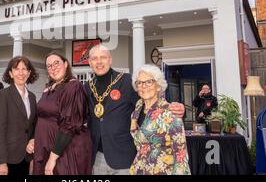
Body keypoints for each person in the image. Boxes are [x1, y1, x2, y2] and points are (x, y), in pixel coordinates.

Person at [83, 44, 185, 175]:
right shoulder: (87, 87)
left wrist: (177, 108)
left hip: (124, 156)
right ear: (90, 62)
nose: (99, 62)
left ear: (110, 59)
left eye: (103, 57)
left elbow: (149, 100)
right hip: (97, 157)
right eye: (94, 58)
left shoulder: (127, 81)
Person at [32, 52, 92, 175]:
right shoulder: (49, 87)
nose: (53, 68)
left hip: (63, 150)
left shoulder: (73, 86)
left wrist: (53, 158)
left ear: (65, 64)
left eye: (56, 63)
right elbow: (42, 117)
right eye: (49, 66)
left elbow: (69, 124)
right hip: (45, 146)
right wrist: (34, 139)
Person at [130, 64, 190, 175]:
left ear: (158, 86)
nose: (144, 86)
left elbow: (180, 153)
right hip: (139, 169)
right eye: (139, 83)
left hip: (162, 171)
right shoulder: (137, 109)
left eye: (149, 82)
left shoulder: (170, 112)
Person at [0, 56, 38, 176]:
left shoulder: (32, 97)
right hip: (7, 158)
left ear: (29, 73)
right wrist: (1, 161)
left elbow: (33, 125)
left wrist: (33, 140)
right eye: (16, 69)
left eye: (24, 69)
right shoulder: (3, 95)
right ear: (11, 73)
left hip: (25, 157)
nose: (21, 73)